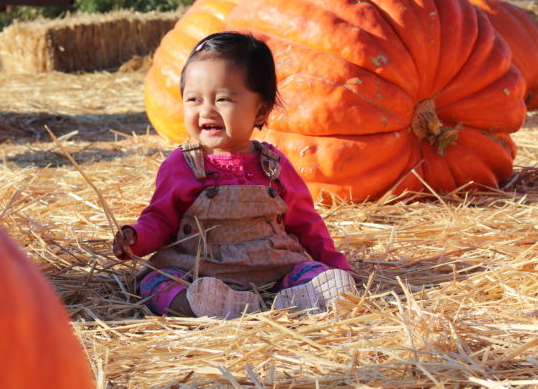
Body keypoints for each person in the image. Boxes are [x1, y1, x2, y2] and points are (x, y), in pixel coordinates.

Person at [113, 31, 356, 319]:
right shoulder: (182, 164)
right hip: (198, 269)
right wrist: (136, 239)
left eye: (223, 99)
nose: (206, 110)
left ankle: (301, 295)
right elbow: (160, 219)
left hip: (273, 266)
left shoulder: (274, 165)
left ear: (260, 110)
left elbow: (305, 222)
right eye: (193, 99)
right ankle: (202, 304)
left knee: (312, 273)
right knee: (155, 284)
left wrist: (334, 264)